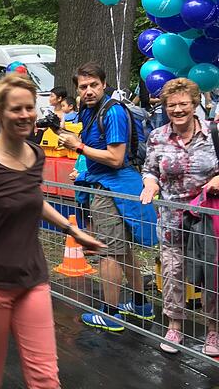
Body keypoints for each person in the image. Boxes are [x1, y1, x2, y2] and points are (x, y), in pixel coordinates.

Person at [0, 73, 104, 388]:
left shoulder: (36, 154)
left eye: (30, 107)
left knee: (45, 379)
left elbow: (33, 199)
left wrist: (74, 229)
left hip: (32, 280)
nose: (26, 115)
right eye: (17, 109)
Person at [58, 62, 158, 332]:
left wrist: (78, 146)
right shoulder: (90, 110)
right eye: (83, 87)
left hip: (112, 187)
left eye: (93, 85)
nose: (89, 91)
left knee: (108, 251)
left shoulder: (112, 112)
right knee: (123, 250)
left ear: (104, 85)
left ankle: (111, 314)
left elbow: (115, 158)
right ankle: (141, 305)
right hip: (110, 184)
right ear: (77, 90)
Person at [139, 78, 219, 355]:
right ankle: (174, 326)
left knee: (212, 274)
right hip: (172, 218)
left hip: (208, 218)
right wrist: (150, 184)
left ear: (195, 104)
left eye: (183, 103)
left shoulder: (214, 133)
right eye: (171, 105)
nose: (177, 109)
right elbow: (149, 169)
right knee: (173, 274)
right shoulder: (157, 136)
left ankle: (214, 330)